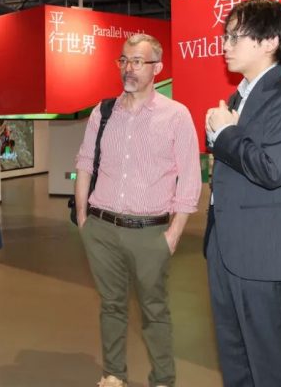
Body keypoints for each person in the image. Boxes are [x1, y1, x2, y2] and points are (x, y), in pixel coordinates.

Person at [74, 34, 201, 387]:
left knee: (154, 310)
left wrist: (173, 234)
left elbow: (190, 178)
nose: (129, 68)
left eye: (138, 62)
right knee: (111, 305)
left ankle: (163, 379)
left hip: (150, 232)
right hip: (101, 227)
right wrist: (83, 219)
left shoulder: (176, 116)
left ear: (157, 68)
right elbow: (84, 163)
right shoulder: (103, 112)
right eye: (124, 60)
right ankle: (114, 372)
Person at [204, 0, 281, 386]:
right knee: (236, 361)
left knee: (274, 367)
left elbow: (272, 170)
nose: (225, 45)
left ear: (269, 41)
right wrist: (220, 139)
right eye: (225, 36)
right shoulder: (240, 96)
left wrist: (224, 134)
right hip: (227, 249)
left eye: (236, 37)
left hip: (263, 257)